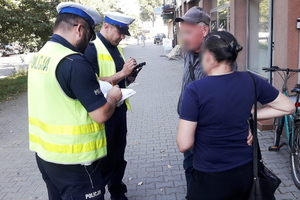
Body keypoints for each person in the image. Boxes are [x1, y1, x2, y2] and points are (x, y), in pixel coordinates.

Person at [176, 31, 295, 200]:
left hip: (210, 175)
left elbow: (184, 144)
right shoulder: (251, 80)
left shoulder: (195, 90)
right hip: (245, 170)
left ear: (208, 56)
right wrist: (251, 115)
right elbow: (288, 107)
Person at [27, 2, 122, 200]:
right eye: (89, 36)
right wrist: (112, 98)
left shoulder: (41, 56)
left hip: (46, 155)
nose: (88, 43)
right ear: (79, 29)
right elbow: (101, 114)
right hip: (76, 161)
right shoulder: (74, 62)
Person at [175, 7, 240, 198]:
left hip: (209, 128)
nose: (183, 37)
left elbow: (231, 96)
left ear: (204, 31)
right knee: (189, 167)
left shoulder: (220, 56)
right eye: (182, 32)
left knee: (209, 175)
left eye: (188, 32)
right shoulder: (188, 50)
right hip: (188, 122)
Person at [84, 12, 136, 200]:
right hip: (104, 112)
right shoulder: (91, 49)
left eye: (124, 33)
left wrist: (130, 76)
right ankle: (100, 191)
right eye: (119, 32)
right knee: (106, 157)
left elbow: (120, 78)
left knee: (119, 153)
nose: (122, 36)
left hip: (120, 109)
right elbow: (90, 82)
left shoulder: (116, 48)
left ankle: (117, 189)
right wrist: (122, 73)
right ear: (106, 27)